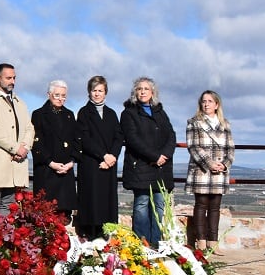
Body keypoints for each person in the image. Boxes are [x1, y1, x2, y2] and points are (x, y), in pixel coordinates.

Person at [120, 77, 176, 249]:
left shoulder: (160, 112)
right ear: (135, 92)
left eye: (146, 89)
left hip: (161, 168)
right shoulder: (129, 113)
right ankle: (142, 244)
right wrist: (154, 156)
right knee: (142, 205)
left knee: (159, 205)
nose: (143, 91)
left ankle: (157, 244)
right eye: (139, 89)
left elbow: (171, 135)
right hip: (141, 167)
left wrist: (165, 155)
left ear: (153, 92)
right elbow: (132, 139)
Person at [0, 63, 34, 215]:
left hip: (17, 164)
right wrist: (16, 148)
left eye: (14, 78)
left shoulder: (20, 102)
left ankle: (2, 238)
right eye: (8, 78)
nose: (12, 81)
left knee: (9, 205)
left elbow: (29, 128)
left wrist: (25, 148)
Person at [186, 90, 234, 253]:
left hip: (220, 171)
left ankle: (213, 242)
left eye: (210, 101)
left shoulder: (225, 124)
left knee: (215, 207)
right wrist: (209, 163)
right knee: (201, 205)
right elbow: (193, 146)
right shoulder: (193, 122)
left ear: (217, 104)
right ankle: (200, 241)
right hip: (202, 170)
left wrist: (224, 164)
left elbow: (230, 148)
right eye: (204, 101)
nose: (206, 104)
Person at [75, 75, 123, 239]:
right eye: (94, 90)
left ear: (105, 93)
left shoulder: (111, 114)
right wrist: (103, 155)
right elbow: (85, 139)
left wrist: (112, 157)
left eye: (100, 90)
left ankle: (106, 236)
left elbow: (119, 137)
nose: (97, 94)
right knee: (92, 201)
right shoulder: (84, 113)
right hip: (91, 164)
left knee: (107, 202)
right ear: (89, 92)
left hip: (109, 165)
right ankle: (90, 236)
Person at [30, 80, 81, 223]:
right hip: (47, 171)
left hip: (66, 172)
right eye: (57, 95)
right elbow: (36, 143)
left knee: (64, 217)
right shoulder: (38, 114)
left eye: (63, 96)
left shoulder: (70, 115)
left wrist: (72, 161)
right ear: (49, 95)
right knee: (44, 217)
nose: (60, 99)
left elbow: (77, 140)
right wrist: (51, 163)